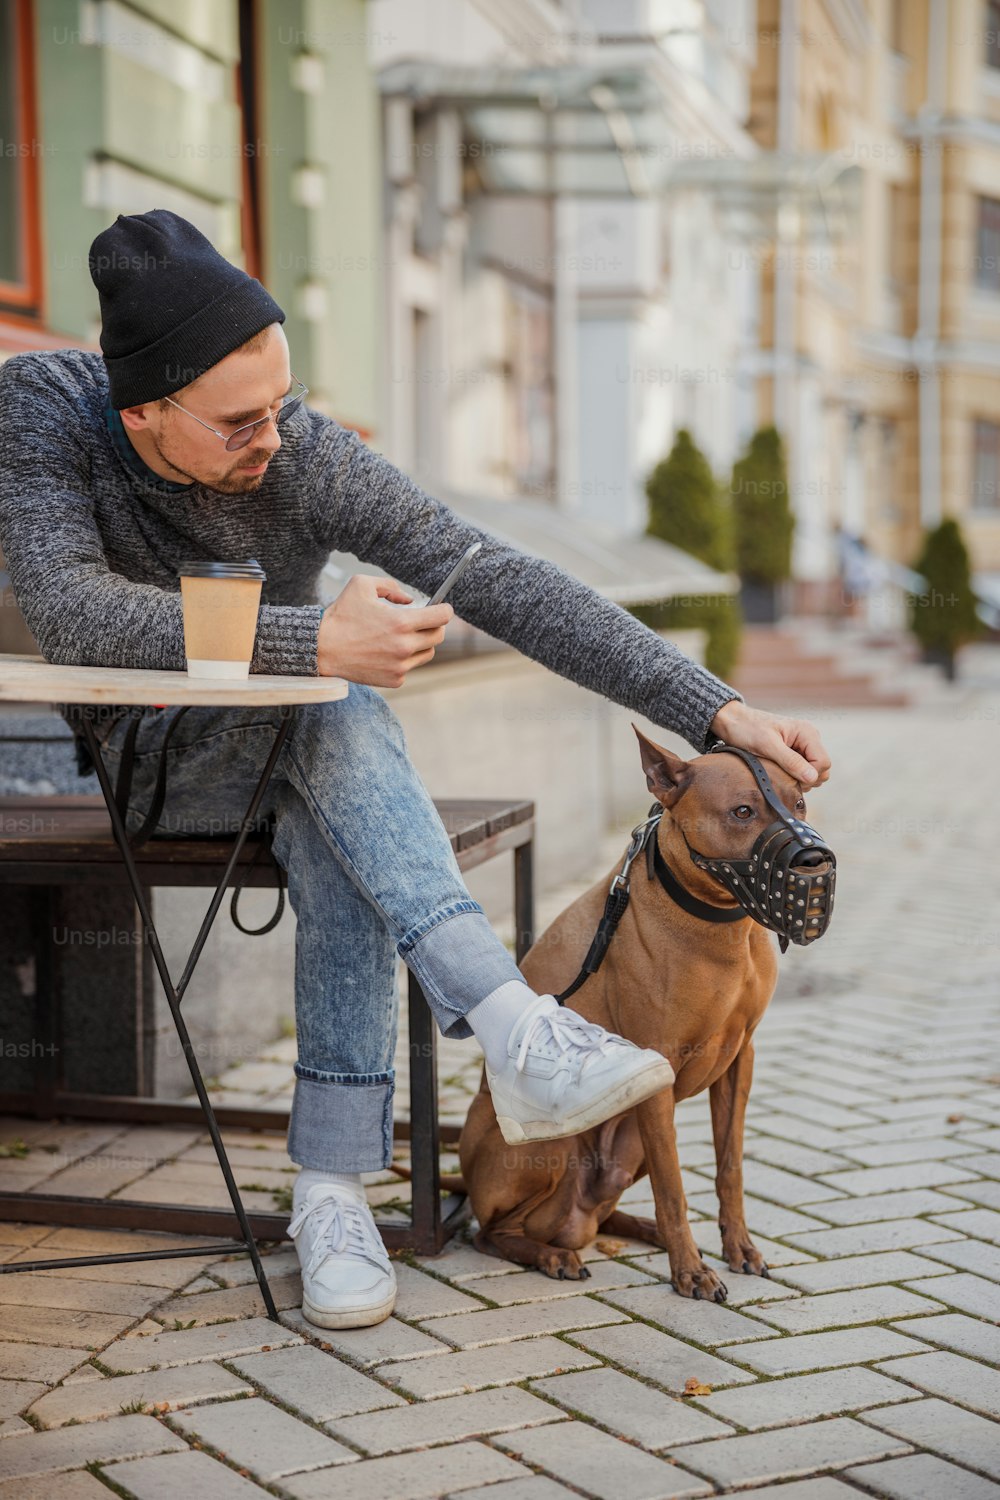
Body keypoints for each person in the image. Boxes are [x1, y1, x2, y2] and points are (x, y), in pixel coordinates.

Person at [0, 211, 832, 1330]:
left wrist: (716, 707)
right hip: (155, 761)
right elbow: (70, 610)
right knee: (338, 695)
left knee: (339, 790)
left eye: (281, 405)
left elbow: (499, 576)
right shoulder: (44, 410)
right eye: (241, 423)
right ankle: (502, 1033)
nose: (274, 442)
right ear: (142, 409)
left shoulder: (299, 446)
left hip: (303, 767)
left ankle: (338, 1192)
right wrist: (310, 645)